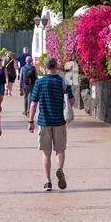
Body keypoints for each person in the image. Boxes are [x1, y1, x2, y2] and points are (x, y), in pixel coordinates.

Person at [29, 57, 74, 191]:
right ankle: (59, 169)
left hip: (44, 121)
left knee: (46, 153)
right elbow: (72, 101)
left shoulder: (39, 82)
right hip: (59, 121)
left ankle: (48, 182)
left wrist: (31, 121)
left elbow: (33, 104)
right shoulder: (63, 81)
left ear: (45, 67)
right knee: (60, 150)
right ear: (56, 66)